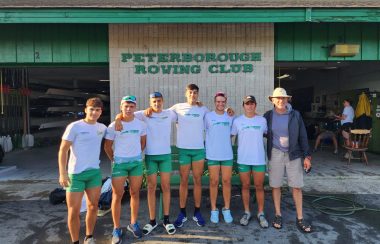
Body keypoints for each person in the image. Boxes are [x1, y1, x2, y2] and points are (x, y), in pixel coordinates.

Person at [114, 92, 177, 236]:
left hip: (165, 156)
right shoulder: (143, 114)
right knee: (151, 187)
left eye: (159, 101)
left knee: (166, 186)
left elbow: (185, 112)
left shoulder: (170, 114)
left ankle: (167, 220)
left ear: (163, 101)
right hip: (150, 156)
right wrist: (117, 118)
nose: (157, 104)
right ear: (150, 102)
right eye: (154, 101)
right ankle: (153, 220)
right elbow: (126, 113)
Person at [58, 97, 107, 244]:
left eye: (97, 110)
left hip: (94, 174)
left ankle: (89, 237)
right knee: (74, 211)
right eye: (91, 109)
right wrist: (62, 173)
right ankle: (75, 241)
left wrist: (118, 119)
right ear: (85, 110)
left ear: (100, 112)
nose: (94, 112)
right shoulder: (74, 127)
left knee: (93, 207)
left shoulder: (102, 128)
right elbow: (63, 150)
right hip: (76, 175)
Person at [263, 87, 312, 233]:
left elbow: (303, 135)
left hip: (294, 153)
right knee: (276, 185)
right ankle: (278, 214)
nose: (281, 100)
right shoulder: (268, 116)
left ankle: (300, 218)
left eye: (283, 98)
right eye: (278, 98)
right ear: (272, 100)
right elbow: (258, 128)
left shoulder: (295, 115)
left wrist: (307, 156)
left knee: (296, 186)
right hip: (275, 153)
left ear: (287, 99)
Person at [104, 95, 147, 242]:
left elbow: (143, 143)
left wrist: (134, 155)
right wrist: (114, 159)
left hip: (136, 163)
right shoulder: (113, 125)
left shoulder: (140, 124)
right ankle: (116, 228)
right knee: (117, 195)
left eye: (131, 106)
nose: (128, 109)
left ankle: (133, 223)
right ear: (121, 107)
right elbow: (107, 146)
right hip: (120, 165)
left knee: (135, 193)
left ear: (135, 107)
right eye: (126, 106)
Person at [170, 84, 209, 228]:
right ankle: (182, 213)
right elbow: (160, 114)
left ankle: (197, 212)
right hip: (184, 151)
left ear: (198, 94)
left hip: (198, 150)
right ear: (186, 93)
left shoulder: (203, 109)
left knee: (198, 180)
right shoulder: (177, 107)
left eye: (195, 93)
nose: (193, 95)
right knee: (184, 181)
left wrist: (228, 111)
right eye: (191, 92)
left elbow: (215, 118)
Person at [231, 95, 268, 228]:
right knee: (245, 186)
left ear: (255, 105)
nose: (250, 106)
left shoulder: (262, 121)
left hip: (258, 160)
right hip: (243, 160)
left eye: (252, 103)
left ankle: (261, 213)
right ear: (243, 106)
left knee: (259, 186)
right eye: (247, 103)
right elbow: (228, 134)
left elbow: (267, 133)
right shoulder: (237, 121)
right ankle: (247, 212)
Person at [204, 92, 234, 224]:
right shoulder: (208, 116)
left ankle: (226, 209)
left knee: (227, 182)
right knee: (214, 182)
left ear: (225, 102)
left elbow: (232, 133)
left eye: (223, 102)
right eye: (218, 101)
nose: (220, 104)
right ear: (214, 102)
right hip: (213, 155)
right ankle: (214, 209)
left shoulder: (230, 116)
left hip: (227, 154)